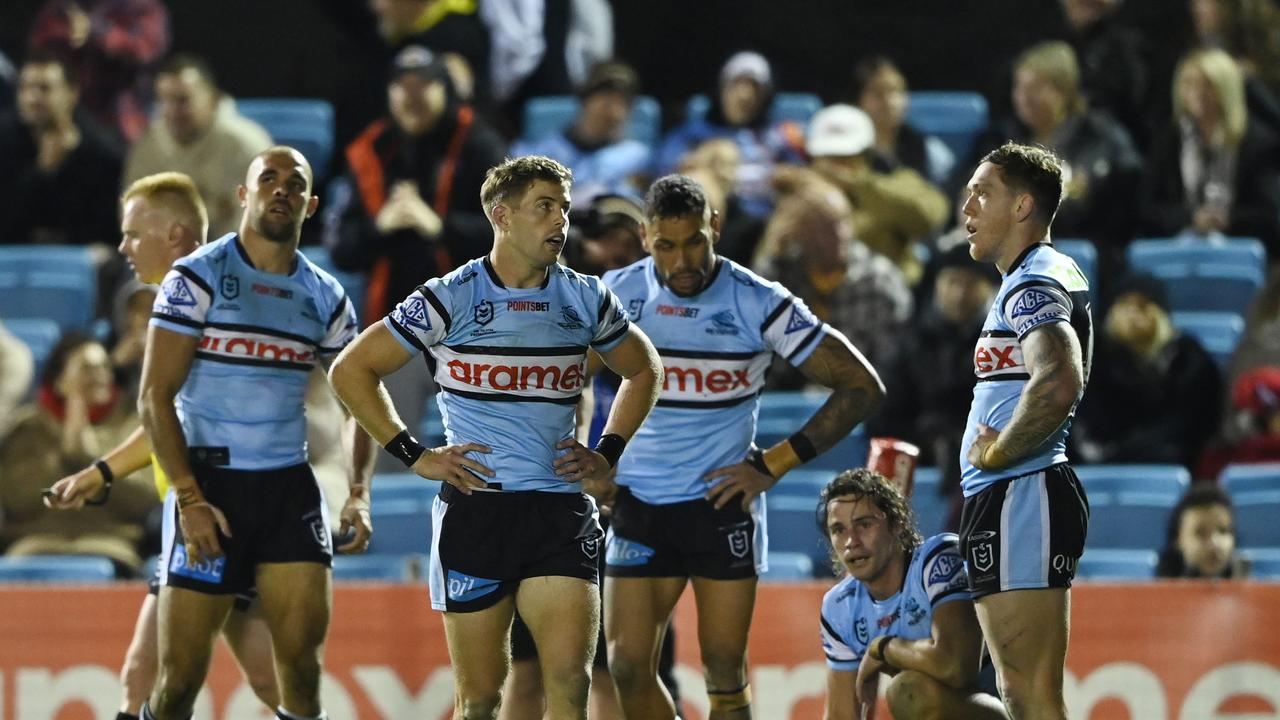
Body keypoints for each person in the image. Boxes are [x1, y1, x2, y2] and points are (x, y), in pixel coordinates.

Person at [328, 155, 662, 719]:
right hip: (476, 510)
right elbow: (350, 370)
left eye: (562, 206)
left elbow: (644, 368)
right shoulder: (450, 296)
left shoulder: (586, 297)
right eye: (544, 207)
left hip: (558, 510)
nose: (560, 221)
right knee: (480, 700)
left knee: (570, 688)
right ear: (501, 216)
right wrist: (414, 456)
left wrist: (608, 451)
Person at [598, 174, 884, 720]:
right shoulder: (617, 294)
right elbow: (566, 379)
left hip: (721, 506)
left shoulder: (758, 301)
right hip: (638, 502)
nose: (682, 261)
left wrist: (771, 464)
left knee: (724, 676)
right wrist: (596, 460)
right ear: (644, 237)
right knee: (629, 670)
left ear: (716, 229)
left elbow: (861, 385)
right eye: (666, 246)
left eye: (695, 243)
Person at [133, 147, 374, 720]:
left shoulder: (326, 296)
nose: (282, 189)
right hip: (210, 490)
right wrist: (189, 498)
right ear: (244, 195)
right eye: (268, 178)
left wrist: (360, 491)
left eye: (296, 183)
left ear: (311, 205)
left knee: (303, 678)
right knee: (179, 684)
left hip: (287, 490)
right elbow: (153, 397)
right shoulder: (196, 278)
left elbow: (357, 403)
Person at [44, 172, 280, 720]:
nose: (122, 247)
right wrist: (100, 473)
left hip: (220, 512)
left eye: (132, 234)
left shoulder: (208, 305)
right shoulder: (195, 299)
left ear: (174, 235)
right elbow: (164, 420)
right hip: (198, 513)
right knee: (150, 675)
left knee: (254, 679)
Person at [958, 142, 1093, 720]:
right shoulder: (1036, 273)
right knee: (1018, 693)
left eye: (982, 192)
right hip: (1012, 496)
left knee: (1032, 694)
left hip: (1023, 490)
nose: (966, 206)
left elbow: (1059, 379)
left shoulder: (1031, 281)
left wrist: (999, 453)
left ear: (1022, 207)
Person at [819, 468, 1007, 720]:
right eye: (838, 530)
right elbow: (842, 715)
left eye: (864, 524)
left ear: (897, 525)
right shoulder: (838, 606)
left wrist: (884, 647)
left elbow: (957, 668)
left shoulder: (936, 558)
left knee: (907, 691)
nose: (851, 541)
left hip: (995, 698)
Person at [0, 331, 156, 574]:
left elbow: (143, 500)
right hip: (36, 545)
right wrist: (67, 443)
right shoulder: (28, 427)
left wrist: (88, 453)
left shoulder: (131, 427)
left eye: (104, 367)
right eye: (87, 368)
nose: (99, 375)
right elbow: (17, 500)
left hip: (111, 546)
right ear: (60, 380)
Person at [1074, 273, 1222, 471]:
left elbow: (1196, 427)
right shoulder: (1089, 362)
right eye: (1125, 305)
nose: (1134, 315)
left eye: (1143, 306)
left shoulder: (1189, 362)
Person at [123, 53, 273, 238]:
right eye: (163, 100)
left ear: (212, 99)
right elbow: (132, 220)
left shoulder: (247, 146)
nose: (171, 111)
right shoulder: (148, 144)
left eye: (182, 100)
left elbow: (261, 231)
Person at [0, 51, 122, 247]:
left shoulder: (102, 151)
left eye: (44, 88)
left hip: (78, 262)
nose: (33, 98)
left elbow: (107, 230)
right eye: (25, 88)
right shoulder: (4, 142)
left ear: (72, 93)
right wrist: (41, 172)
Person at [510, 59, 651, 203]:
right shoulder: (539, 151)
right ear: (585, 100)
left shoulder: (636, 158)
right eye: (606, 99)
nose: (613, 112)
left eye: (622, 103)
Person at [1155, 481, 1250, 578]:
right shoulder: (1158, 588)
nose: (1214, 543)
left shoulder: (1248, 581)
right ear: (1177, 540)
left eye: (1223, 531)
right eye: (1201, 532)